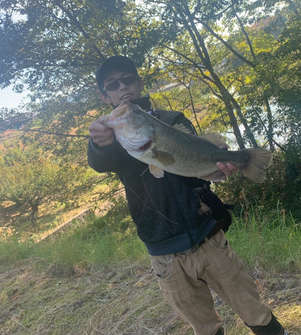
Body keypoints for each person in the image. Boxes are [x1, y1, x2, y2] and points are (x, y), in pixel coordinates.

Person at [87, 56, 288, 335]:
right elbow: (99, 162)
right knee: (205, 328)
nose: (122, 87)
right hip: (164, 253)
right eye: (113, 84)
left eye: (128, 79)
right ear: (104, 95)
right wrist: (97, 144)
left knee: (254, 310)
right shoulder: (113, 138)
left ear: (139, 82)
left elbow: (196, 171)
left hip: (208, 235)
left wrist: (220, 168)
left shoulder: (172, 120)